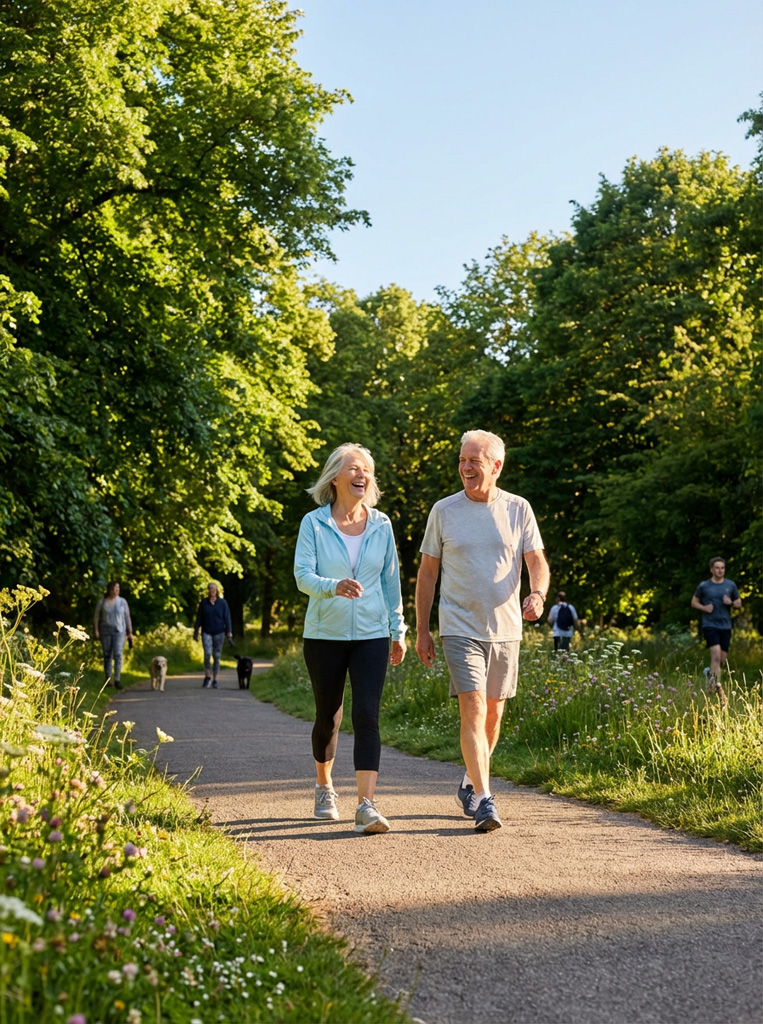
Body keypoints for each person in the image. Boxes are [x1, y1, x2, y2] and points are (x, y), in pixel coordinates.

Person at [415, 429, 549, 833]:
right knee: (472, 708)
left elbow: (536, 562)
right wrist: (422, 630)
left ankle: (470, 781)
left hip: (506, 629)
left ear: (496, 466)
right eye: (462, 460)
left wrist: (538, 595)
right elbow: (427, 573)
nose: (466, 467)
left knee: (493, 714)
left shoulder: (518, 509)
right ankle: (486, 800)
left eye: (474, 460)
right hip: (459, 626)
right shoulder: (444, 510)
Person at [294, 443, 407, 835]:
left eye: (368, 470)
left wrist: (398, 629)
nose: (363, 475)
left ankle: (366, 805)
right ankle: (325, 786)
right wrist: (333, 586)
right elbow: (302, 576)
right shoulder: (314, 523)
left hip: (373, 634)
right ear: (336, 477)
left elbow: (391, 582)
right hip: (324, 633)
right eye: (355, 469)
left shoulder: (382, 524)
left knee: (367, 715)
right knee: (329, 715)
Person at [690, 556, 741, 706]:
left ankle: (709, 675)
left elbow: (738, 603)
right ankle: (712, 689)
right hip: (709, 624)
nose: (720, 570)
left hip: (725, 626)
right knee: (716, 655)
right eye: (717, 568)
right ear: (712, 569)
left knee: (722, 659)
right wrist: (704, 608)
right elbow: (694, 602)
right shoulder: (704, 586)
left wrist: (730, 602)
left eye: (722, 568)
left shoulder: (730, 585)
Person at [93, 581, 134, 690]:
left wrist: (130, 631)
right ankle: (108, 679)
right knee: (107, 655)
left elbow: (127, 617)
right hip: (105, 630)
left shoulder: (122, 602)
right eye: (114, 589)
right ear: (109, 590)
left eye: (117, 589)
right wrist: (96, 630)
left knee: (118, 654)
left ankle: (117, 679)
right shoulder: (102, 603)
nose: (116, 591)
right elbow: (96, 617)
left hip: (119, 631)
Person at [193, 582, 233, 689]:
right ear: (208, 591)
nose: (212, 591)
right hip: (206, 631)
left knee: (216, 656)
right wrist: (196, 631)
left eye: (214, 589)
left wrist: (229, 633)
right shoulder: (204, 603)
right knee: (207, 654)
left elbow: (227, 618)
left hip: (219, 632)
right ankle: (207, 677)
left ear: (217, 591)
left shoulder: (222, 603)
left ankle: (215, 679)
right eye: (211, 589)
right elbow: (199, 618)